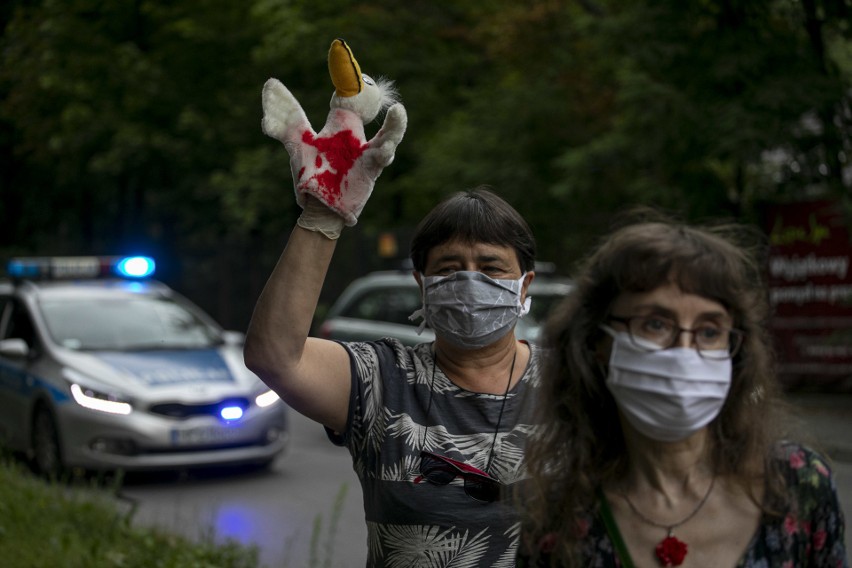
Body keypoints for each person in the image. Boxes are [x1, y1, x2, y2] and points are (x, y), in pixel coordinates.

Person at [516, 211, 849, 567]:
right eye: (655, 323)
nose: (684, 352)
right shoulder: (557, 520)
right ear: (597, 342)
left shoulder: (798, 487)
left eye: (709, 331)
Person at [245, 185, 543, 566]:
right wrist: (322, 217)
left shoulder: (569, 381)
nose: (471, 283)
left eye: (491, 267)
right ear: (423, 285)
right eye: (449, 269)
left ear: (524, 286)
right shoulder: (381, 377)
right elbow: (274, 356)